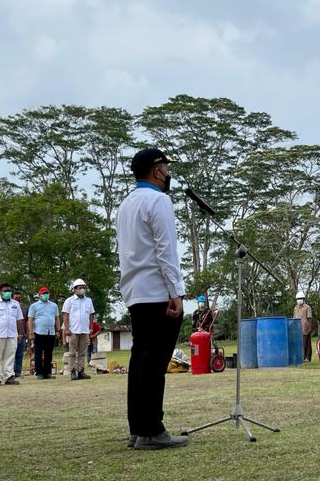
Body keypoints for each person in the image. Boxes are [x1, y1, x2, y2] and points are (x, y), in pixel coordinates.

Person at [117, 148, 188, 450]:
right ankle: (152, 430)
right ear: (157, 170)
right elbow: (166, 250)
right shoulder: (159, 200)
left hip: (136, 292)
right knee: (156, 363)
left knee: (140, 361)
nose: (169, 173)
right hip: (158, 291)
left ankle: (138, 428)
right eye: (167, 168)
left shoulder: (126, 204)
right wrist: (176, 292)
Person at [0, 283, 25, 385]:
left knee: (10, 356)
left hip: (12, 334)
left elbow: (19, 320)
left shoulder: (15, 304)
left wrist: (20, 334)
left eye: (9, 291)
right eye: (5, 291)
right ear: (0, 292)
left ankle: (9, 377)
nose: (8, 293)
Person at [62, 278, 95, 380]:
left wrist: (90, 329)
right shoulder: (69, 301)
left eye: (84, 288)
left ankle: (81, 371)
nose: (82, 289)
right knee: (72, 353)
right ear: (74, 289)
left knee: (82, 353)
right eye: (80, 288)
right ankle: (72, 372)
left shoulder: (88, 301)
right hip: (73, 331)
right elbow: (65, 315)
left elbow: (90, 316)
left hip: (85, 331)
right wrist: (66, 329)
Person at [28, 286, 59, 379]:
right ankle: (39, 373)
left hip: (51, 332)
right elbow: (30, 319)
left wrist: (58, 330)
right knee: (38, 353)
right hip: (39, 332)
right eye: (44, 294)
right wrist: (31, 332)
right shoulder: (34, 306)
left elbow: (57, 318)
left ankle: (47, 372)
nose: (46, 295)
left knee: (49, 353)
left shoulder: (54, 305)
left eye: (47, 293)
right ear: (40, 295)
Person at [12, 289, 30, 379]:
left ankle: (17, 372)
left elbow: (27, 321)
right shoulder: (10, 307)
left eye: (19, 297)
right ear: (12, 298)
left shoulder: (25, 308)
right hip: (11, 334)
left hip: (22, 335)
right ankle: (9, 372)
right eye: (16, 298)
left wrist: (27, 333)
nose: (18, 299)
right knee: (10, 354)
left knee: (19, 354)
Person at [293, 292, 314, 362]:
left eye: (300, 298)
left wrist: (310, 328)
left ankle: (307, 358)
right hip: (298, 328)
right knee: (300, 344)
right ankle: (301, 357)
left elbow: (309, 318)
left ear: (303, 299)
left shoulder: (307, 307)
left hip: (305, 327)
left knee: (306, 344)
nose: (299, 300)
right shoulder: (295, 308)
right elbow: (294, 317)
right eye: (298, 299)